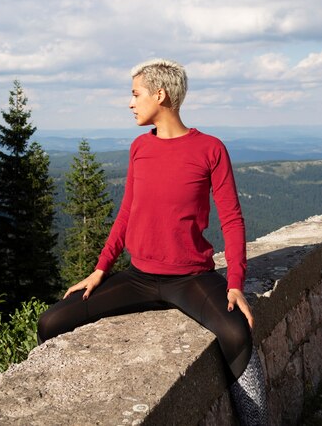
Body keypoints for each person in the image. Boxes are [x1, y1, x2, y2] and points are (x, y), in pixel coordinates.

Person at [37, 58, 268, 425]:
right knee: (51, 321)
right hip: (138, 277)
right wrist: (100, 269)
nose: (130, 103)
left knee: (236, 332)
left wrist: (236, 283)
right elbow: (127, 213)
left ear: (160, 95)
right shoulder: (139, 149)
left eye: (135, 94)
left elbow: (232, 220)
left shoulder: (210, 149)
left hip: (190, 279)